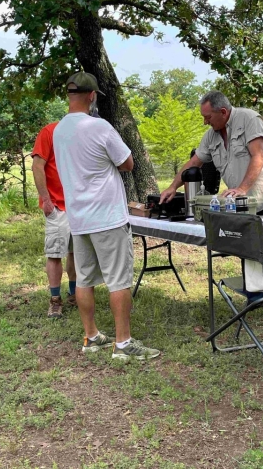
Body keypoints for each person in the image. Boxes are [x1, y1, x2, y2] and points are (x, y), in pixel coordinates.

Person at [53, 71, 160, 360]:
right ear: (91, 96)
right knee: (119, 280)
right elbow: (127, 163)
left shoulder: (59, 130)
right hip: (107, 218)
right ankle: (123, 344)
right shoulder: (100, 127)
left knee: (85, 279)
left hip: (78, 218)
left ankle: (91, 336)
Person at [160, 90, 263, 217]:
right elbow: (194, 163)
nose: (205, 122)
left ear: (223, 112)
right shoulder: (210, 136)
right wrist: (173, 187)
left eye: (208, 117)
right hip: (244, 206)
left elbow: (259, 156)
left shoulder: (249, 119)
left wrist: (242, 189)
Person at [32, 122, 77, 318]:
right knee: (55, 254)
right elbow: (37, 166)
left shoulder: (86, 132)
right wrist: (47, 200)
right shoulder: (50, 131)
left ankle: (75, 294)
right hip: (57, 206)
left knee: (76, 253)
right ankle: (55, 300)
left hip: (81, 206)